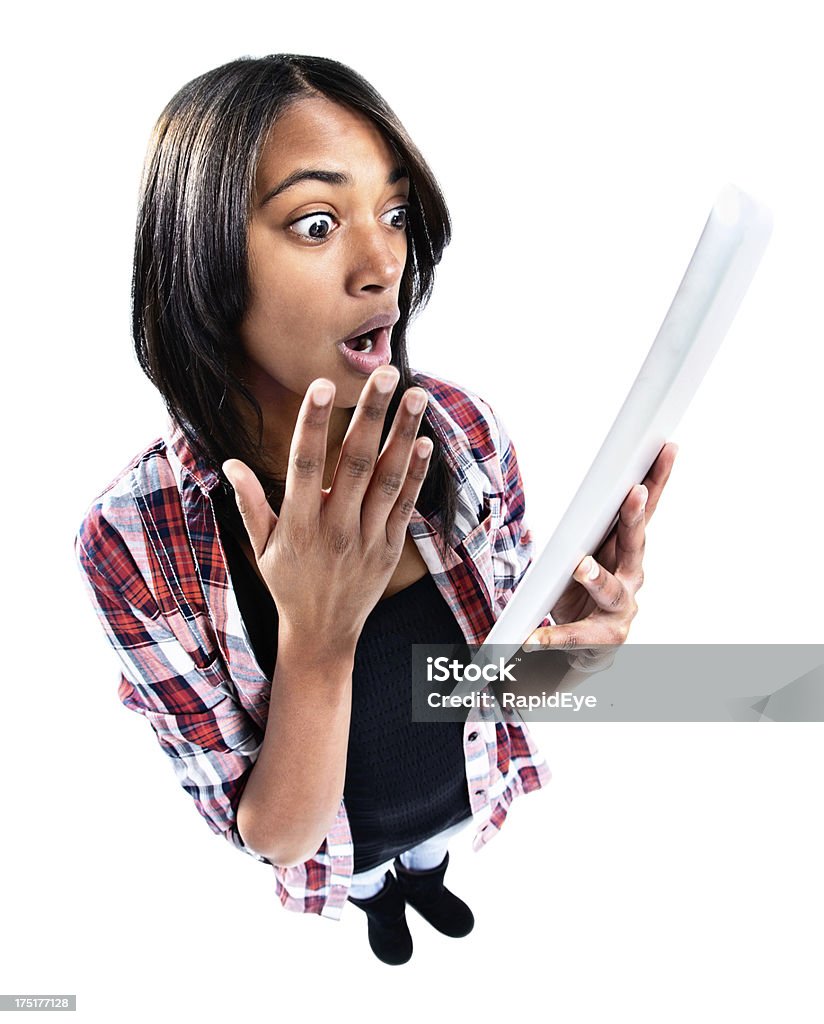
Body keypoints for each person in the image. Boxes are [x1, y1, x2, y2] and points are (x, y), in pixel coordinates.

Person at [75, 54, 676, 966]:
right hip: (340, 841)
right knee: (366, 877)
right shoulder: (136, 542)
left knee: (428, 856)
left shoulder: (460, 432)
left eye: (393, 214)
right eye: (317, 223)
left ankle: (424, 879)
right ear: (204, 264)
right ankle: (378, 899)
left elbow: (496, 704)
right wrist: (318, 637)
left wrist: (571, 652)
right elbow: (276, 837)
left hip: (455, 790)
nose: (384, 261)